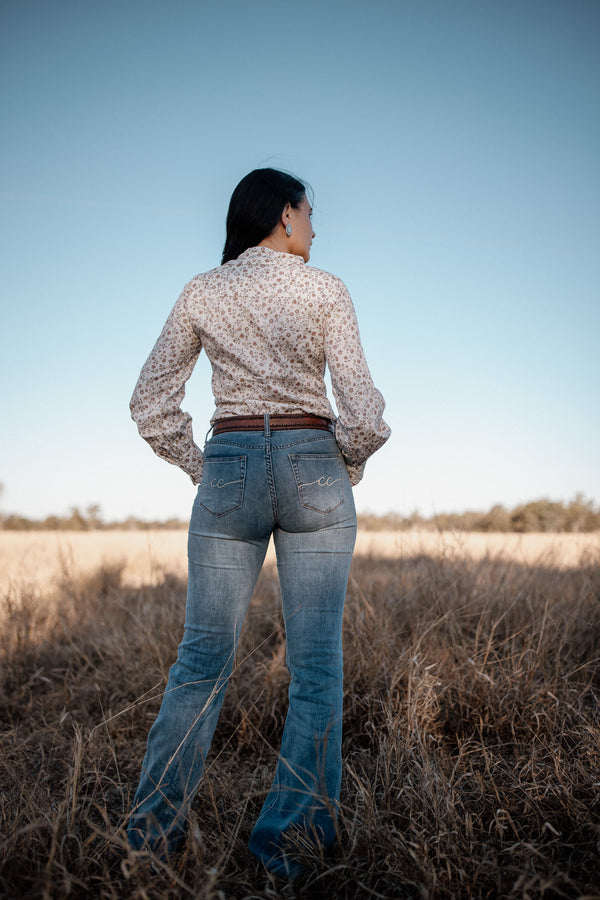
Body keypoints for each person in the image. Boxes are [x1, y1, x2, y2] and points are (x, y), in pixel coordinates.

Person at [127, 167, 390, 878]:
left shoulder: (201, 291)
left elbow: (150, 402)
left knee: (199, 665)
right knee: (315, 667)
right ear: (282, 214)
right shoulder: (326, 288)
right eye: (309, 212)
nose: (315, 226)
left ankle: (150, 844)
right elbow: (364, 413)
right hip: (314, 462)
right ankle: (291, 848)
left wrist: (201, 468)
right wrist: (344, 465)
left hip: (231, 461)